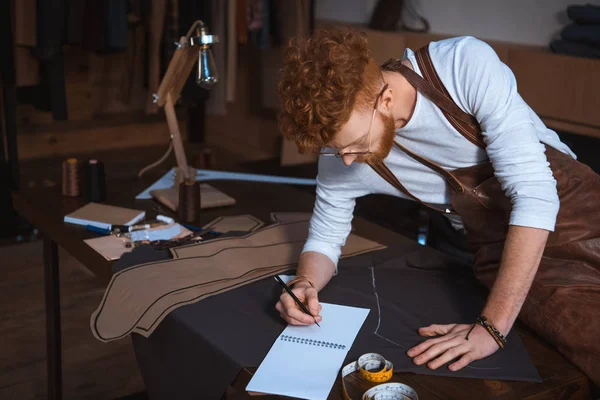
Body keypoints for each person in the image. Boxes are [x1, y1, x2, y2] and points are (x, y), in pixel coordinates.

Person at [273, 27, 600, 385]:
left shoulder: (461, 65)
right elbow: (324, 240)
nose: (347, 161)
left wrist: (491, 328)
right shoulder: (340, 154)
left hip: (576, 209)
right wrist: (304, 281)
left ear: (384, 99)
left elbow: (535, 196)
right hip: (503, 249)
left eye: (354, 144)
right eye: (337, 150)